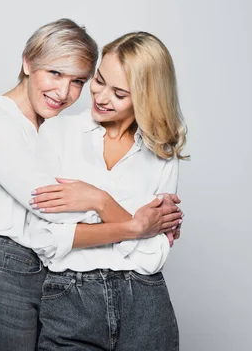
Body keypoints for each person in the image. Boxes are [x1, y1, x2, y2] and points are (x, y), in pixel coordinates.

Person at [0, 20, 183, 351]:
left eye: (78, 80)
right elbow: (50, 213)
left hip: (46, 280)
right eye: (55, 73)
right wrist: (135, 223)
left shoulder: (49, 127)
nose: (65, 92)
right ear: (27, 62)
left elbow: (151, 247)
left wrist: (99, 206)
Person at [29, 31, 187, 351]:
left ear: (146, 96)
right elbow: (45, 239)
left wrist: (100, 202)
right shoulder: (57, 133)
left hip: (145, 303)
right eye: (99, 81)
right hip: (70, 302)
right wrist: (135, 227)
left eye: (119, 93)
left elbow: (152, 256)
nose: (101, 97)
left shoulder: (162, 153)